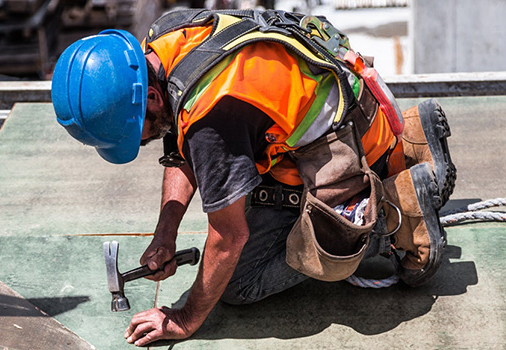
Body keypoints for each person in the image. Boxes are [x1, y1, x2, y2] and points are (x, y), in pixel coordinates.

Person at [51, 9, 455, 346]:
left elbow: (229, 237)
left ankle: (394, 210)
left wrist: (185, 318)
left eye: (133, 134)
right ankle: (412, 141)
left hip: (347, 153)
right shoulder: (166, 39)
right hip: (352, 113)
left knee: (239, 283)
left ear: (151, 98)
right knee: (233, 195)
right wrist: (166, 233)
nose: (138, 145)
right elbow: (180, 145)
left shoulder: (213, 117)